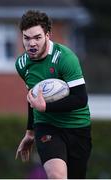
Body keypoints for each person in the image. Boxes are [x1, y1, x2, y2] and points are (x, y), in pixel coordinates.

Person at [15, 10, 92, 179]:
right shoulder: (22, 64)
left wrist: (46, 107)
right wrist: (30, 132)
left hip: (77, 127)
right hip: (47, 126)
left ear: (47, 35)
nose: (31, 43)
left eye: (37, 37)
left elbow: (80, 99)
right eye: (26, 38)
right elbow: (33, 99)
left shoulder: (65, 58)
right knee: (57, 176)